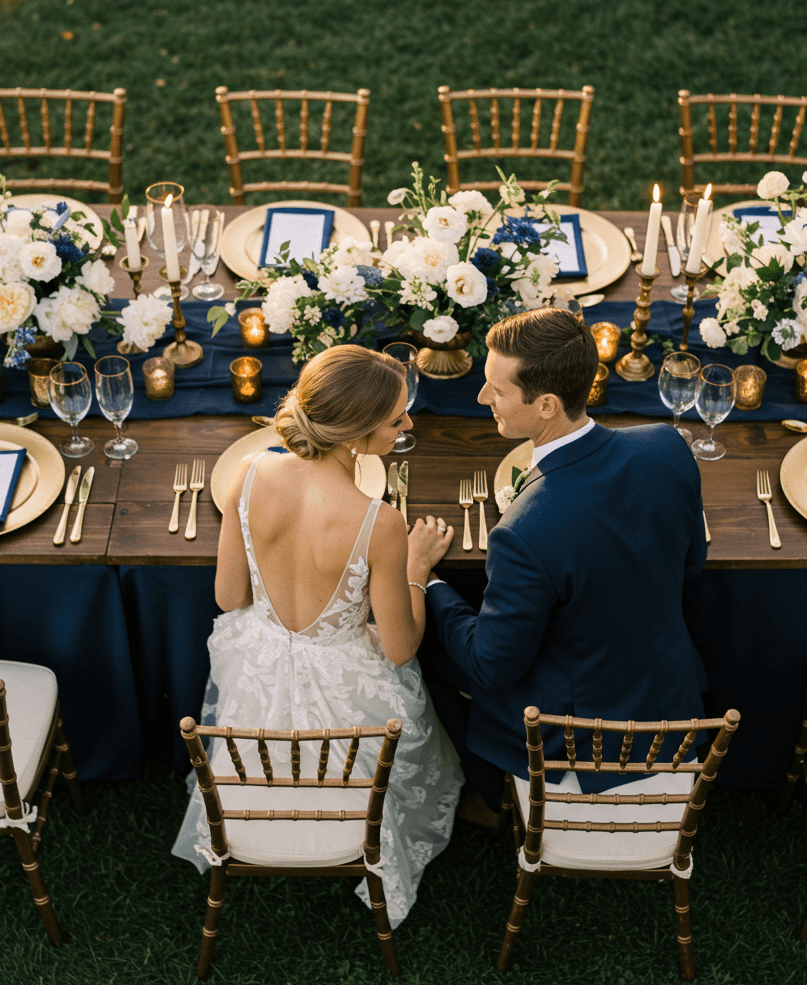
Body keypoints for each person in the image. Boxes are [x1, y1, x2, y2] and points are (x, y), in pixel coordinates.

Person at [172, 344, 464, 927]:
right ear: (354, 433)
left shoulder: (249, 476)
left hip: (257, 667)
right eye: (397, 418)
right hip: (346, 687)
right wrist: (414, 570)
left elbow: (230, 599)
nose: (408, 425)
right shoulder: (380, 522)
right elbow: (401, 646)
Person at [416, 307, 706, 816]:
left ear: (547, 403)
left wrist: (427, 580)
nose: (482, 398)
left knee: (425, 656)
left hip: (579, 730)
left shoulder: (523, 533)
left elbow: (491, 664)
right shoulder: (667, 446)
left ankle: (486, 793)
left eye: (496, 390)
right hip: (666, 687)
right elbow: (691, 566)